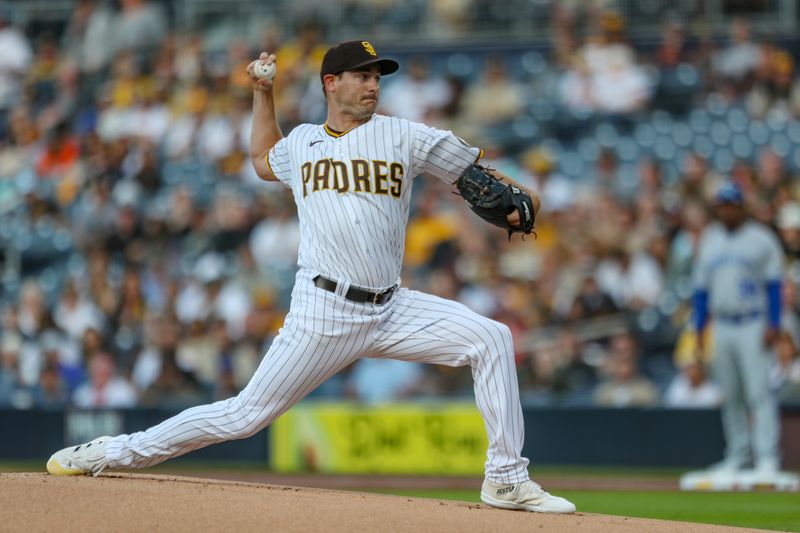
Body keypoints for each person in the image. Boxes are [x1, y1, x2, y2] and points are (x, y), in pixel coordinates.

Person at [46, 40, 575, 514]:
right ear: (331, 83)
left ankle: (506, 479)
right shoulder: (301, 143)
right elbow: (259, 158)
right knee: (243, 416)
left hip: (392, 307)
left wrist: (519, 198)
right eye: (362, 75)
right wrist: (262, 94)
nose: (373, 85)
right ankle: (112, 452)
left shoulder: (404, 136)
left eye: (377, 76)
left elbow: (477, 172)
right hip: (322, 312)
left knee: (492, 338)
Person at [691, 182, 784, 480]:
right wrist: (699, 330)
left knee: (759, 393)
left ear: (742, 206)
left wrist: (773, 322)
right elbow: (701, 290)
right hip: (723, 323)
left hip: (753, 321)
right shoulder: (710, 239)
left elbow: (773, 285)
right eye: (722, 205)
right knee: (730, 394)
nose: (726, 210)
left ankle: (767, 458)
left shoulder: (761, 238)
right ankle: (738, 456)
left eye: (731, 204)